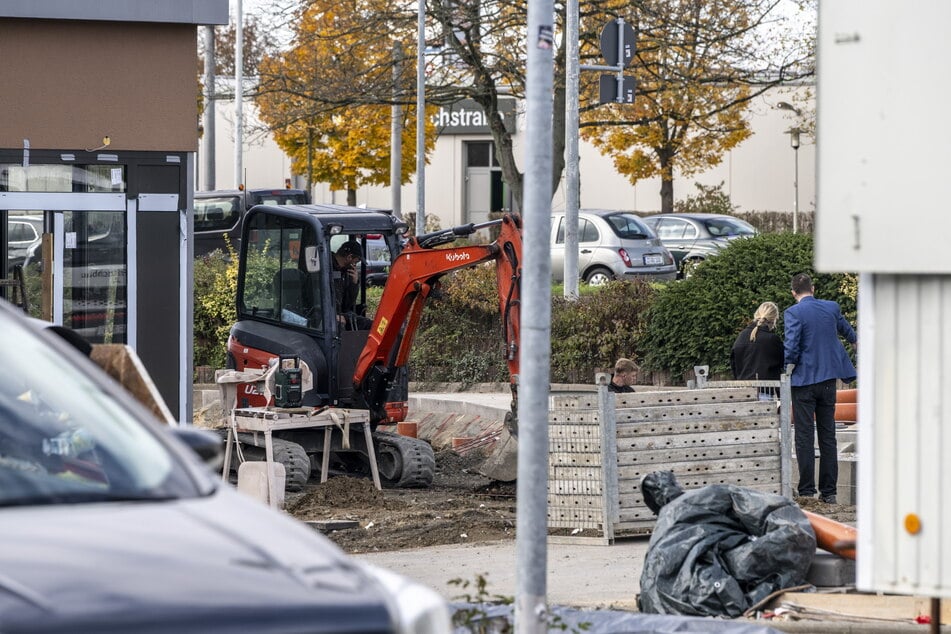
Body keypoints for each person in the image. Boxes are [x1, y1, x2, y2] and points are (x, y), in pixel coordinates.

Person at [784, 273, 857, 505]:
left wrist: (786, 369)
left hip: (803, 381)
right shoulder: (832, 307)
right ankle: (830, 493)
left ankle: (807, 491)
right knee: (828, 436)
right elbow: (850, 333)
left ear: (794, 292)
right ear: (813, 288)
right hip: (828, 382)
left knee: (804, 436)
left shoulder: (793, 313)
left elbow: (792, 347)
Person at [730, 301, 784, 382]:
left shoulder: (741, 336)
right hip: (766, 389)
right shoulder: (772, 339)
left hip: (743, 389)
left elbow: (733, 364)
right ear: (774, 319)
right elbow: (782, 363)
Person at [332, 241, 371, 329]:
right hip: (327, 317)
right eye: (356, 262)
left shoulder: (346, 273)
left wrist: (354, 283)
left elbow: (348, 304)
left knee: (369, 325)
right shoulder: (325, 268)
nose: (355, 266)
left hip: (341, 315)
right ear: (349, 257)